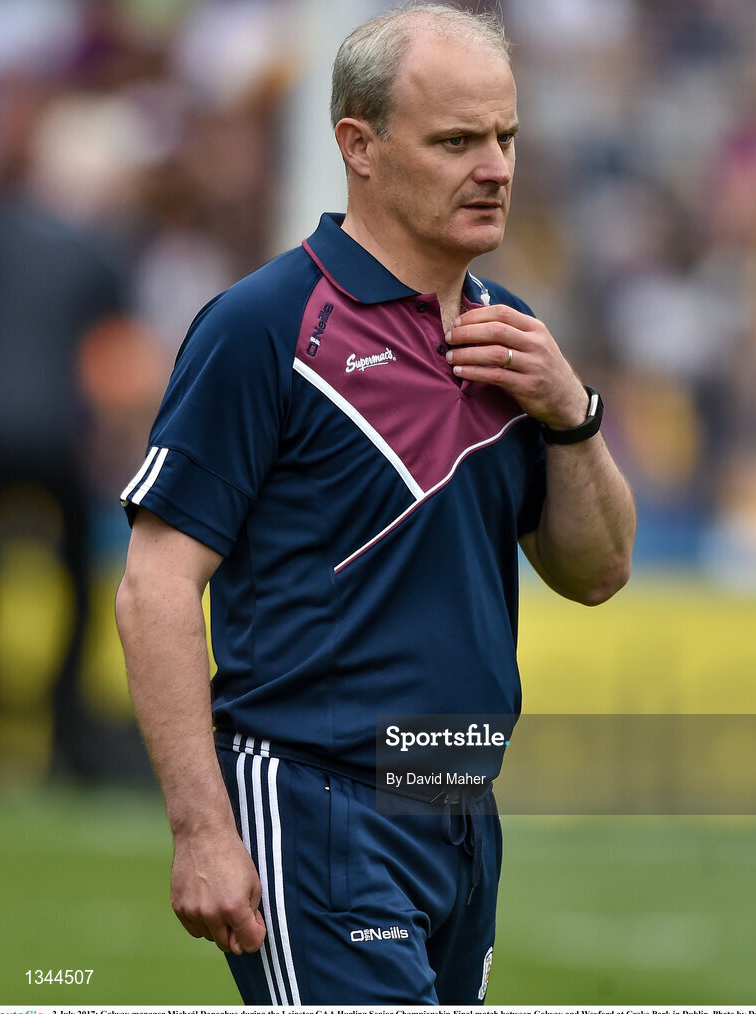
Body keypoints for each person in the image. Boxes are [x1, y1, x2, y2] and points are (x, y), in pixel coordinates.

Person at [115, 2, 635, 1005]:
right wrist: (202, 829)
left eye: (506, 137)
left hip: (462, 811)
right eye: (456, 141)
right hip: (315, 801)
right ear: (359, 146)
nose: (495, 167)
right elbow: (155, 586)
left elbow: (598, 571)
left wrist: (571, 415)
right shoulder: (266, 324)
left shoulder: (515, 335)